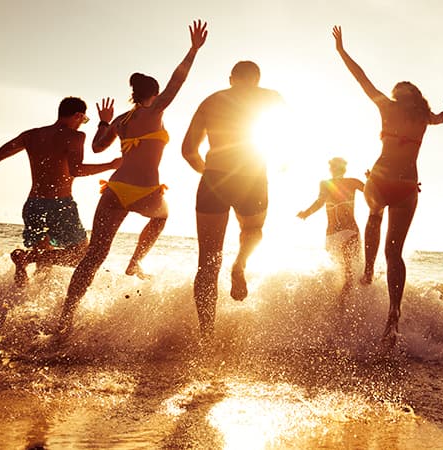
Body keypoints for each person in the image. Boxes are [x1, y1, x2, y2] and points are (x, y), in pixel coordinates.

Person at [58, 20, 207, 334]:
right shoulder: (154, 112)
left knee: (95, 255)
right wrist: (192, 50)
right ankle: (135, 260)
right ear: (153, 94)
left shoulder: (122, 121)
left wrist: (102, 122)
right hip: (145, 190)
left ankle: (66, 315)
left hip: (115, 190)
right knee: (162, 217)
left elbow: (98, 148)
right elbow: (176, 83)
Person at [332, 26, 443, 348]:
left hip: (379, 179)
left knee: (374, 215)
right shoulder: (423, 116)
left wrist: (340, 50)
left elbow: (361, 78)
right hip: (406, 185)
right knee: (395, 253)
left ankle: (366, 270)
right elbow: (440, 120)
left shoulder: (387, 107)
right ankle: (394, 312)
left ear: (399, 94)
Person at [0, 97, 121, 286]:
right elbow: (76, 170)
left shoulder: (31, 135)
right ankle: (25, 258)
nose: (82, 125)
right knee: (81, 256)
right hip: (59, 206)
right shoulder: (75, 136)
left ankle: (31, 306)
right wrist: (111, 165)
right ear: (78, 115)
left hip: (33, 205)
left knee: (44, 263)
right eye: (84, 120)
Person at [182, 60, 285, 338]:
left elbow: (188, 150)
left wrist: (209, 172)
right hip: (252, 177)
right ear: (257, 79)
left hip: (214, 178)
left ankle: (206, 334)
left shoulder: (211, 101)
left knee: (207, 262)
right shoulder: (271, 97)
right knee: (252, 229)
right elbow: (286, 136)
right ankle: (240, 263)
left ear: (231, 79)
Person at [297, 157, 365, 297]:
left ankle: (341, 308)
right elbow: (374, 192)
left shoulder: (326, 184)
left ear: (331, 169)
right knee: (354, 270)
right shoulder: (352, 182)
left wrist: (306, 213)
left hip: (333, 234)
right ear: (344, 169)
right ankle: (349, 307)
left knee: (344, 272)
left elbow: (320, 202)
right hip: (349, 230)